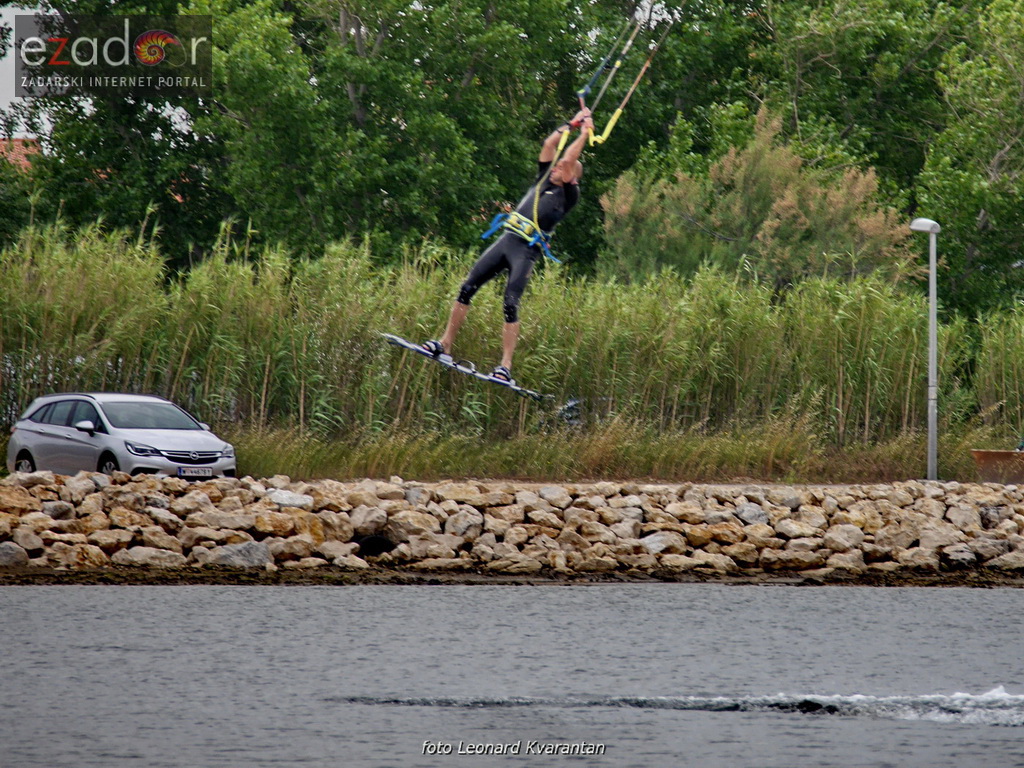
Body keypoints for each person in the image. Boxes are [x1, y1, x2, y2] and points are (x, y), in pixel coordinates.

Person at [421, 108, 595, 386]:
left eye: (561, 167)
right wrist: (571, 124)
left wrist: (585, 134)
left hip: (525, 252)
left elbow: (570, 159)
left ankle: (505, 366)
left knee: (510, 303)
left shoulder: (569, 195)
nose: (556, 167)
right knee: (467, 288)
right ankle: (445, 343)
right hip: (506, 241)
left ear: (572, 176)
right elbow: (549, 143)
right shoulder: (544, 178)